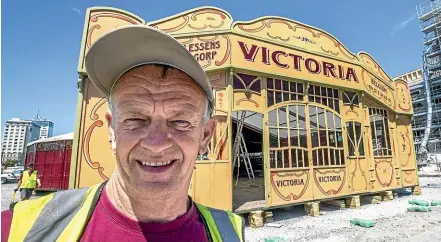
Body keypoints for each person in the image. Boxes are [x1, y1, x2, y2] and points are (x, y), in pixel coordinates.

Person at [1, 25, 244, 242]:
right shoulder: (21, 229)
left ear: (205, 136)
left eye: (180, 121)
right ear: (112, 130)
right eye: (136, 119)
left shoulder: (232, 232)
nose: (156, 143)